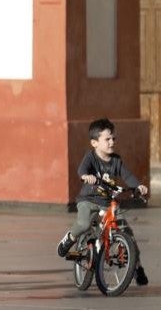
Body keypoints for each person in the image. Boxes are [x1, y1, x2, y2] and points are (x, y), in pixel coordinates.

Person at [56, 118, 150, 285]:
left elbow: (127, 175)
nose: (112, 142)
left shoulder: (116, 160)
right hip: (89, 200)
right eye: (107, 139)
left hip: (107, 202)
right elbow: (82, 170)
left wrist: (138, 186)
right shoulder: (91, 157)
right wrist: (87, 176)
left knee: (128, 233)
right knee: (84, 224)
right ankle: (69, 238)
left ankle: (137, 268)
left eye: (114, 138)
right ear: (94, 143)